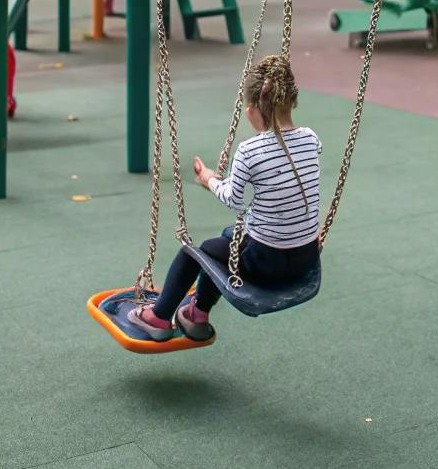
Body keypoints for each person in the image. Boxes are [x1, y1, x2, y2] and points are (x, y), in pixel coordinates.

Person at [128, 54, 321, 343]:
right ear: (292, 101)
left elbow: (234, 200)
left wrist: (209, 179)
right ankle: (196, 314)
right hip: (305, 258)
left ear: (251, 111)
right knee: (228, 238)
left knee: (200, 252)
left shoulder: (250, 150)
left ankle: (158, 316)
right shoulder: (311, 138)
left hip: (266, 261)